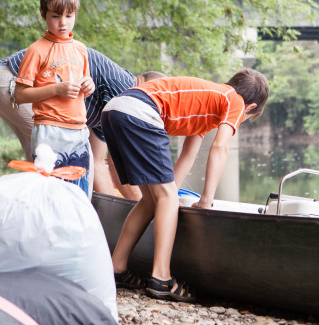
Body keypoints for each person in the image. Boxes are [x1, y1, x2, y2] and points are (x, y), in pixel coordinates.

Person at [100, 69, 269, 302]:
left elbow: (189, 154)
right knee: (166, 198)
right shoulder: (235, 100)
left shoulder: (208, 101)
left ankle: (116, 268)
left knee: (152, 201)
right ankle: (161, 278)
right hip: (140, 110)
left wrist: (169, 194)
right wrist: (205, 200)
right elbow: (220, 148)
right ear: (250, 107)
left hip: (115, 110)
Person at [0, 49, 163, 199]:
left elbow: (100, 162)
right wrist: (145, 207)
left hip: (1, 80)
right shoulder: (127, 89)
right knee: (73, 152)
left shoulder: (112, 108)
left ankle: (35, 220)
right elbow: (118, 164)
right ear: (149, 89)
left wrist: (119, 207)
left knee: (42, 164)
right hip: (14, 82)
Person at [11, 0, 95, 196]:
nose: (62, 23)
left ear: (76, 14)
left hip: (79, 131)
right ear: (43, 14)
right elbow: (19, 95)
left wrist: (89, 85)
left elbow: (83, 83)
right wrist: (56, 89)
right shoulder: (37, 50)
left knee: (80, 192)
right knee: (49, 192)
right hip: (50, 130)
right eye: (56, 16)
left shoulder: (81, 49)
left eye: (69, 16)